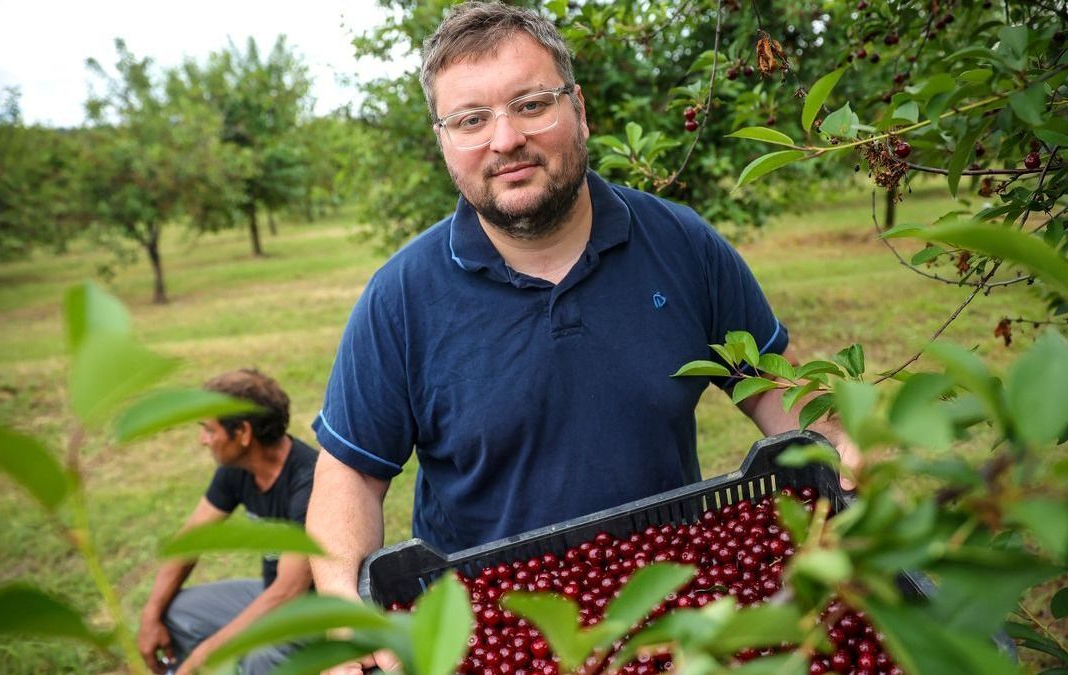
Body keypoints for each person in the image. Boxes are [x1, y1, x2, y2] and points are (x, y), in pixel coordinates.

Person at [308, 2, 856, 671]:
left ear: (580, 109)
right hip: (488, 632)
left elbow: (783, 398)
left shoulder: (681, 247)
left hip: (671, 612)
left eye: (532, 103)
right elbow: (350, 477)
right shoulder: (400, 298)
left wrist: (847, 448)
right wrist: (345, 609)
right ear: (444, 141)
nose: (505, 139)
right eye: (471, 120)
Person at [137, 369, 318, 674]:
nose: (202, 440)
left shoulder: (309, 482)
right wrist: (150, 616)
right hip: (270, 593)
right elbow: (190, 540)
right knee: (177, 612)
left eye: (209, 430)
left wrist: (204, 654)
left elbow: (290, 590)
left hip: (316, 612)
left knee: (260, 656)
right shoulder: (239, 468)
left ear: (243, 434)